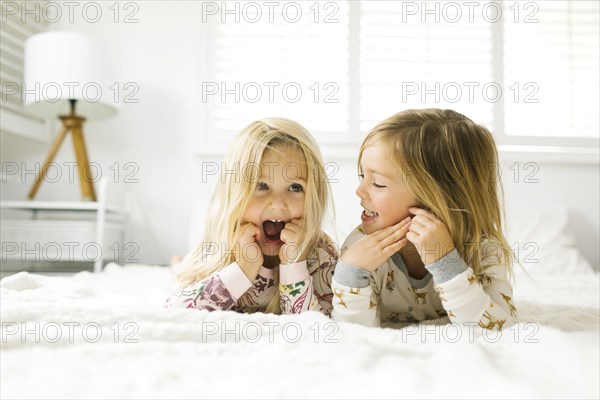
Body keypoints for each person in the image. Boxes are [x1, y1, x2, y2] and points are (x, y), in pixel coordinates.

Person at [331, 109, 517, 330]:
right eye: (362, 176)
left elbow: (499, 330)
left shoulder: (481, 249)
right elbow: (353, 335)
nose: (359, 191)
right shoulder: (361, 249)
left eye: (378, 183)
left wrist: (446, 263)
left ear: (435, 199)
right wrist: (350, 274)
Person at [166, 118, 338, 315]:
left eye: (295, 187)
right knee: (182, 269)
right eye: (261, 186)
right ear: (235, 194)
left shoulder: (321, 256)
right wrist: (243, 268)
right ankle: (178, 263)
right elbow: (175, 311)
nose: (278, 204)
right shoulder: (221, 247)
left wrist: (294, 265)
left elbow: (316, 327)